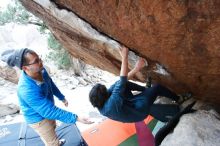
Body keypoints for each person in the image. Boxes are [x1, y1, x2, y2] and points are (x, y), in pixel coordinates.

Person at [1, 48, 93, 146]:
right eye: (36, 61)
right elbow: (49, 111)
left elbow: (50, 84)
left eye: (39, 58)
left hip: (46, 110)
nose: (41, 62)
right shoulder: (26, 89)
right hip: (37, 119)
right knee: (51, 142)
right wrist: (76, 118)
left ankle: (55, 140)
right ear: (25, 68)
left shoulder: (41, 70)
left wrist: (61, 97)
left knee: (52, 127)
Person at [89, 47, 189, 123]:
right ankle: (179, 99)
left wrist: (137, 68)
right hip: (140, 111)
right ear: (104, 96)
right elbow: (122, 80)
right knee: (157, 87)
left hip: (129, 105)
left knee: (124, 85)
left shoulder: (101, 101)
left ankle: (145, 90)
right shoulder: (110, 106)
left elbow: (120, 82)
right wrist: (125, 56)